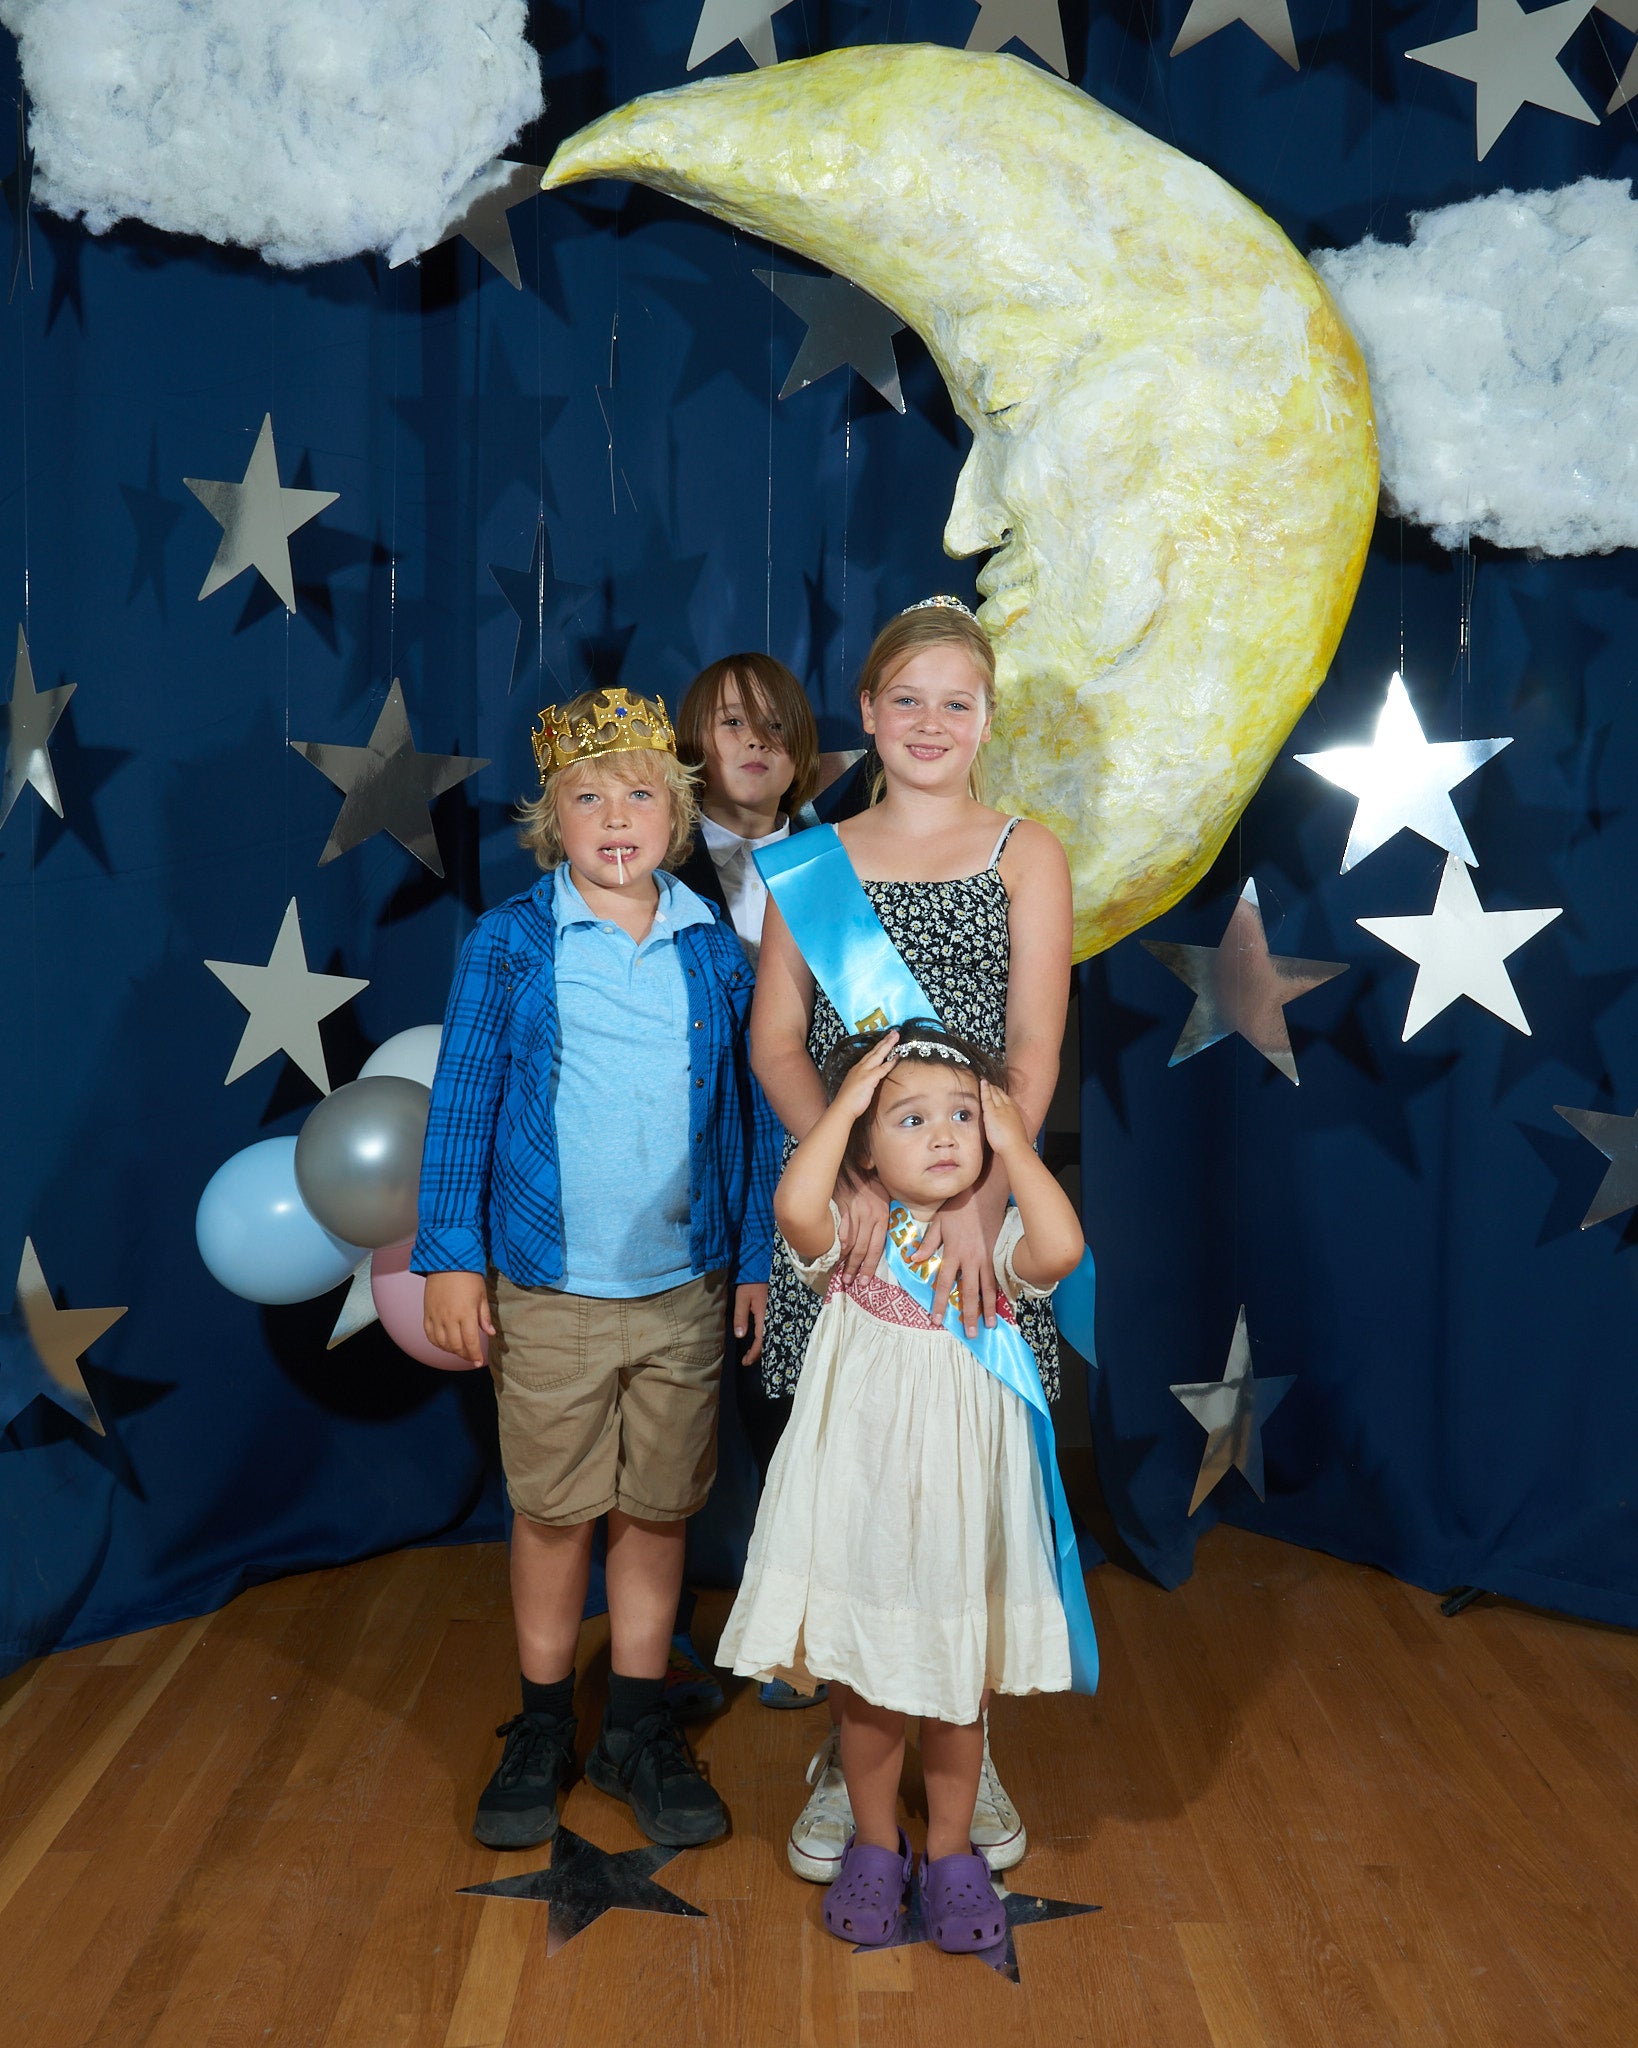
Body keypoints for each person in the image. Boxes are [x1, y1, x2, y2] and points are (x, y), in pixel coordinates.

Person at [411, 685, 773, 1853]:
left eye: (639, 795)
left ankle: (635, 1724)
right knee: (557, 1510)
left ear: (676, 814)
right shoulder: (510, 943)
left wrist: (754, 1257)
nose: (616, 816)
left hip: (683, 1286)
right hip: (550, 1287)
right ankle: (540, 1720)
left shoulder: (713, 949)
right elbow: (462, 1103)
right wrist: (450, 1255)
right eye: (587, 797)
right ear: (549, 819)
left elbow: (752, 1117)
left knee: (657, 1510)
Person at [750, 598, 1075, 1882]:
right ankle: (855, 1752)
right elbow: (780, 1039)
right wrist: (847, 1171)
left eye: (957, 702)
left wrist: (985, 1198)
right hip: (853, 1221)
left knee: (964, 1507)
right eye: (907, 700)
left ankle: (962, 1739)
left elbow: (1033, 1043)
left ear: (987, 720)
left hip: (981, 1210)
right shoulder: (811, 862)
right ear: (868, 713)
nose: (931, 723)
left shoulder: (1024, 852)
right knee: (862, 1507)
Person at [716, 1021, 1093, 1951]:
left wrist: (1013, 1145)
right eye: (910, 1120)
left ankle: (954, 1855)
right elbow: (793, 1204)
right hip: (866, 1508)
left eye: (962, 1115)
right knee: (869, 1695)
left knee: (959, 1697)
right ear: (865, 1152)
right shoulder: (854, 1236)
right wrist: (843, 1104)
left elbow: (1061, 1250)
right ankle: (878, 1846)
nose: (943, 1136)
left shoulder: (992, 1243)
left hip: (960, 1515)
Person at [665, 652, 833, 1715]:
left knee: (790, 1397)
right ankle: (664, 1626)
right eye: (732, 723)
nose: (756, 742)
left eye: (775, 724)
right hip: (678, 1180)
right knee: (675, 1409)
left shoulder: (834, 866)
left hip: (796, 1168)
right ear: (694, 742)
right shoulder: (646, 865)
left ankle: (799, 1621)